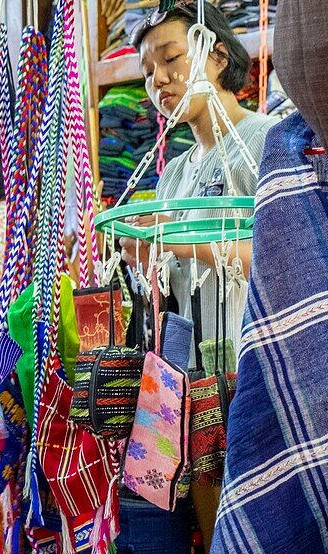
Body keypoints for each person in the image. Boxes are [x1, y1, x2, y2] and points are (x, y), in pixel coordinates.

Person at [128, 2, 279, 364]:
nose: (158, 80)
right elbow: (173, 284)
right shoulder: (175, 173)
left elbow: (281, 259)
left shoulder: (266, 141)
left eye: (171, 58)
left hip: (252, 364)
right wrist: (146, 256)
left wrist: (179, 241)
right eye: (148, 72)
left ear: (219, 57)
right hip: (191, 377)